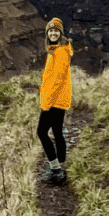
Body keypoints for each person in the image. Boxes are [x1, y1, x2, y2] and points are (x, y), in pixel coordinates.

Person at [37, 17, 73, 185]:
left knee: (42, 132)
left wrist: (46, 103)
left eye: (55, 30)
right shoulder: (56, 50)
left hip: (55, 101)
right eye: (50, 31)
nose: (53, 33)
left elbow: (57, 80)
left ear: (60, 33)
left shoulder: (60, 52)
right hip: (59, 99)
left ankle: (56, 169)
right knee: (57, 132)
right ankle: (61, 165)